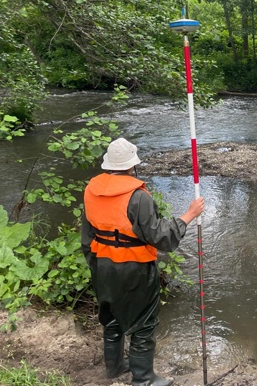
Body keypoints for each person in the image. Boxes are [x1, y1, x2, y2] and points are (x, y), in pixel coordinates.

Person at [81, 137, 204, 386]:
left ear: (109, 164)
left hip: (102, 264)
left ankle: (114, 367)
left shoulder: (90, 189)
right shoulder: (138, 197)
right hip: (134, 267)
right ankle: (144, 379)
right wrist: (189, 215)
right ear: (132, 165)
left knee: (112, 317)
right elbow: (161, 237)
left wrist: (96, 265)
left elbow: (87, 237)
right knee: (144, 322)